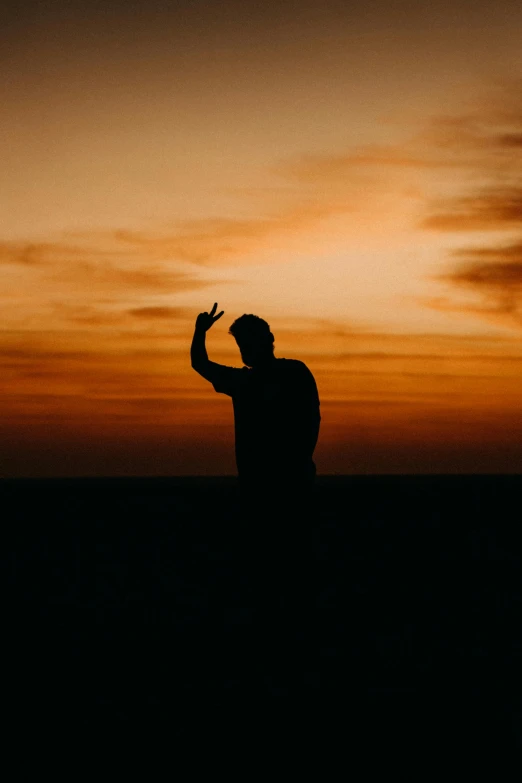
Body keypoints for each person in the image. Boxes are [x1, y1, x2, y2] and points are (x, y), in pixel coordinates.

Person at [190, 302, 321, 522]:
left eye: (248, 343)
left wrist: (200, 331)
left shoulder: (284, 375)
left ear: (269, 339)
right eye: (242, 344)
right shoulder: (249, 379)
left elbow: (311, 420)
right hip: (267, 485)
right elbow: (200, 363)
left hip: (286, 485)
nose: (245, 349)